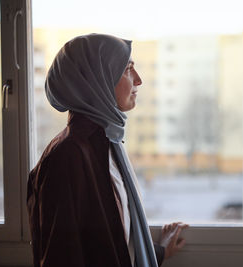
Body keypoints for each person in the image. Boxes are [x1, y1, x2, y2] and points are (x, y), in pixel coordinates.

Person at [27, 33, 188, 267]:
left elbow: (108, 238)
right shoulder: (67, 156)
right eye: (127, 69)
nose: (139, 80)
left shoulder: (107, 143)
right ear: (96, 79)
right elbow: (60, 256)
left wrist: (158, 252)